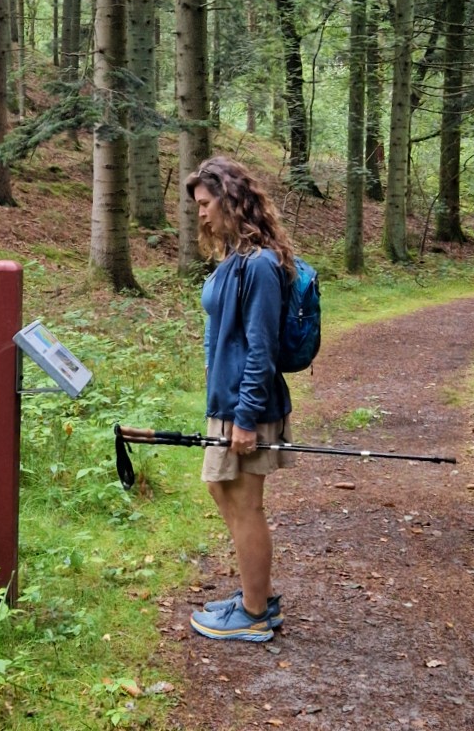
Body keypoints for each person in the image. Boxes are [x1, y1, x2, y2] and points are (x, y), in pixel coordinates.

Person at [184, 155, 294, 644]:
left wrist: (245, 418)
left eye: (206, 204)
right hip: (225, 403)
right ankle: (257, 593)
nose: (201, 214)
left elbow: (261, 348)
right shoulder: (235, 259)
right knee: (221, 490)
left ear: (230, 200)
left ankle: (253, 613)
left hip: (246, 407)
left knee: (245, 503)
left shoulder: (261, 265)